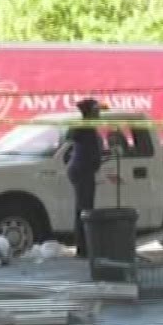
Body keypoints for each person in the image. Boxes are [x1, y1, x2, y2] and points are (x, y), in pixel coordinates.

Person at [63, 98, 106, 257]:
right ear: (91, 112)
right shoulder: (83, 126)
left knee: (85, 208)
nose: (99, 114)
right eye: (97, 111)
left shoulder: (91, 128)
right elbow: (70, 135)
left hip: (85, 170)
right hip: (82, 171)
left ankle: (85, 247)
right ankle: (84, 249)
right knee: (85, 209)